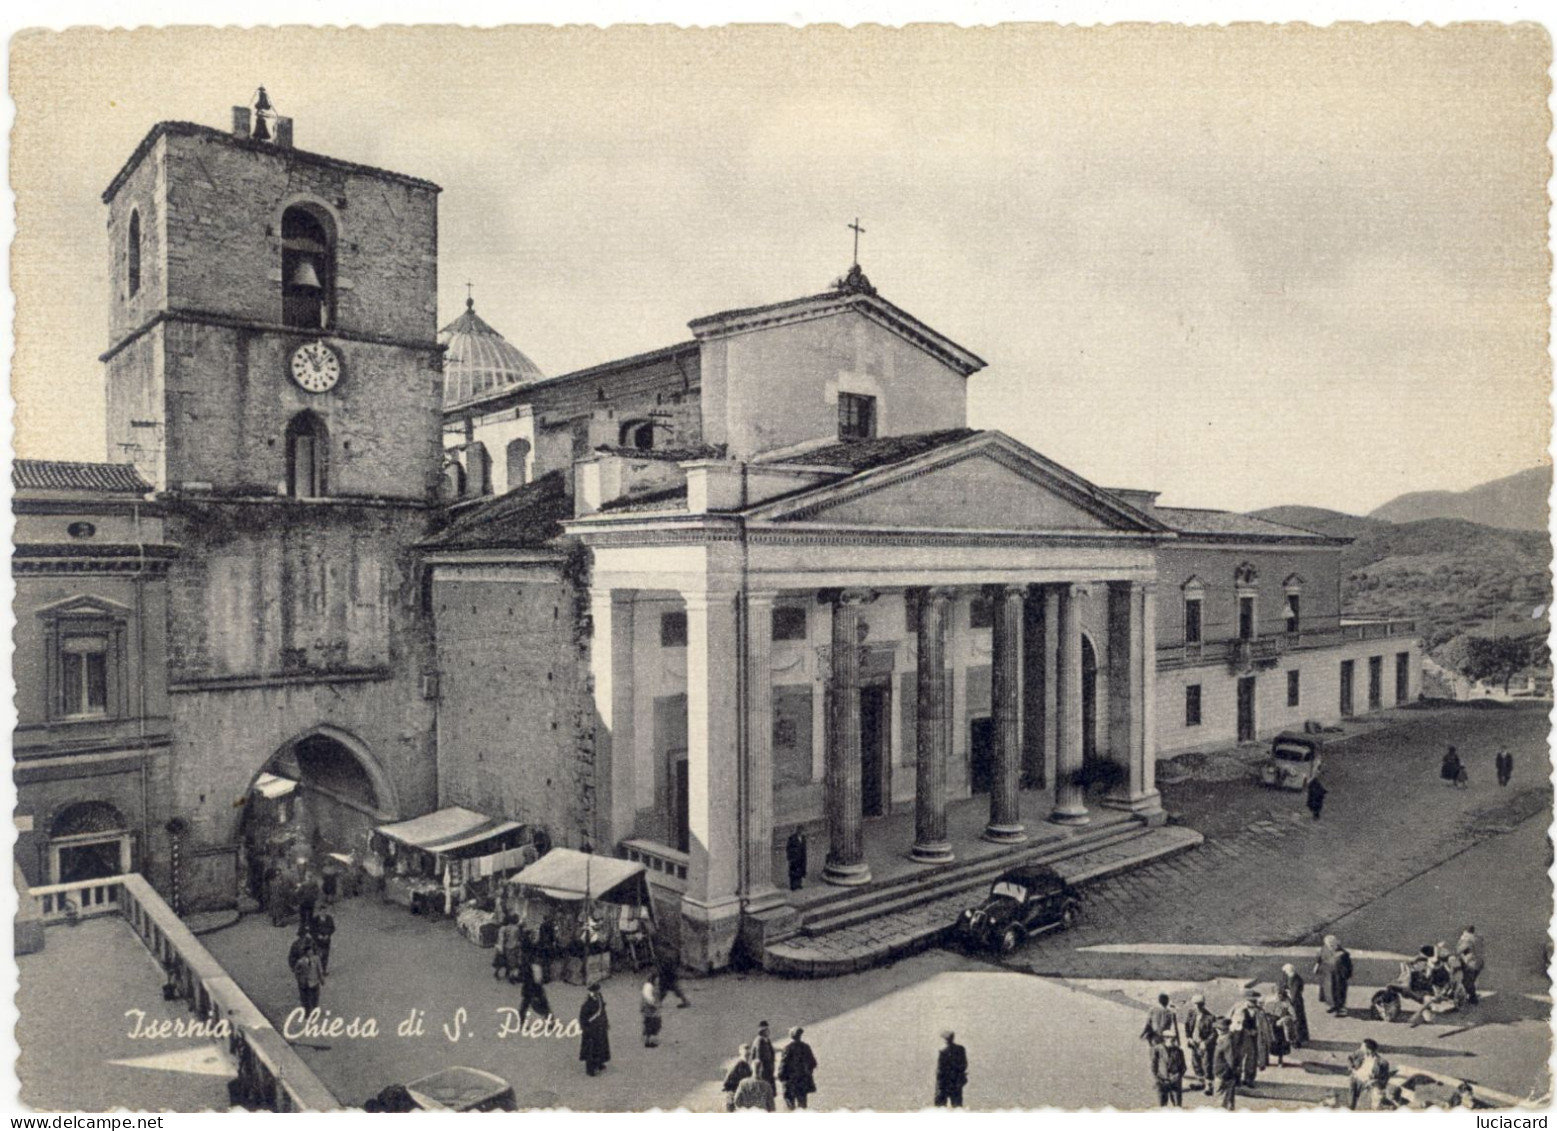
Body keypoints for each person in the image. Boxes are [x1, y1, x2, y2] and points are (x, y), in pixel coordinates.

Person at [1182, 993, 1218, 1095]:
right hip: (1194, 1043)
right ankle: (1200, 1082)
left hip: (1205, 1045)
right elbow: (1187, 1026)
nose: (1197, 1007)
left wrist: (1205, 1043)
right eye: (1195, 1004)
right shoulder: (1191, 1013)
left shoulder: (1210, 1017)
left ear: (1203, 1004)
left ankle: (1209, 1085)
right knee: (1196, 1063)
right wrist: (1189, 1037)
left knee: (1207, 1064)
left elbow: (1214, 1034)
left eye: (1200, 1004)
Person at [777, 1026, 818, 1110]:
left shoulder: (788, 1048)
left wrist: (780, 1076)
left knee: (790, 1106)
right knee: (802, 1105)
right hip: (802, 1081)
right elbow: (813, 1063)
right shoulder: (806, 1047)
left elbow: (783, 1065)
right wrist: (807, 1072)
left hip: (790, 1082)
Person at [1347, 1038, 1391, 1110]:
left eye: (1362, 1047)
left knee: (1363, 1104)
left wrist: (1375, 1081)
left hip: (1368, 1084)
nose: (1360, 1048)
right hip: (1355, 1079)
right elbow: (1350, 1058)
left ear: (1368, 1049)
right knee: (1351, 1102)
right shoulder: (1359, 1053)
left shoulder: (1382, 1062)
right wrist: (1352, 1069)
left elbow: (1385, 1079)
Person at [1315, 935, 1353, 1016]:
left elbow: (1349, 966)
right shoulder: (1324, 949)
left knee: (1338, 992)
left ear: (1336, 943)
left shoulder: (1343, 954)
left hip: (1338, 977)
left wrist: (1346, 975)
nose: (1331, 946)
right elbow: (1319, 958)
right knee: (1328, 991)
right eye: (1329, 944)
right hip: (1327, 975)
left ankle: (1340, 1009)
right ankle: (1331, 1006)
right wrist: (1317, 966)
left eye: (1332, 944)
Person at [579, 983, 611, 1076]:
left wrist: (606, 1022)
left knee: (601, 1046)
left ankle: (600, 1063)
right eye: (595, 990)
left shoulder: (599, 998)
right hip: (591, 1029)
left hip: (600, 1027)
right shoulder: (587, 1004)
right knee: (591, 1049)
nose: (597, 992)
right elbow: (583, 1018)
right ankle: (590, 1069)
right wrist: (586, 1029)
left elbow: (603, 1012)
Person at [516, 944, 552, 1026]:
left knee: (525, 1005)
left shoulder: (526, 965)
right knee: (543, 1005)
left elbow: (521, 976)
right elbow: (539, 979)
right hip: (536, 988)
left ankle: (522, 1021)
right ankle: (550, 1021)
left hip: (528, 988)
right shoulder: (536, 966)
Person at [1277, 962, 1310, 1045]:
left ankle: (1298, 1039)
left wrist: (1287, 994)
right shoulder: (1290, 977)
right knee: (1294, 1020)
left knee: (1297, 1020)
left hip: (1295, 1003)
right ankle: (1296, 1038)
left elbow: (1294, 994)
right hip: (1292, 1002)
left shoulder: (1297, 979)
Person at [934, 1031, 968, 1109]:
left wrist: (939, 1084)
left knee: (940, 1107)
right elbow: (964, 1065)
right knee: (957, 1106)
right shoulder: (961, 1049)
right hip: (956, 1081)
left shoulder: (942, 1051)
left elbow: (940, 1070)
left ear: (945, 1039)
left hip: (944, 1082)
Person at [1210, 1018, 1239, 1110]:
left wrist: (1228, 1074)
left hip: (1224, 1075)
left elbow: (1231, 1060)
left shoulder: (1226, 1041)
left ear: (1221, 1030)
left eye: (1217, 1028)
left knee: (1221, 1100)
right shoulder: (1223, 1039)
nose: (1216, 1030)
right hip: (1222, 1074)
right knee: (1227, 1100)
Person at [1151, 1033, 1186, 1107]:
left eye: (1174, 1039)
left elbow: (1183, 1067)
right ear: (1165, 1039)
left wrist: (1178, 1076)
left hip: (1175, 1082)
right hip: (1162, 1081)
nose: (1174, 1041)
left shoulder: (1179, 1051)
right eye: (1171, 1039)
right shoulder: (1157, 1049)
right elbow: (1154, 1066)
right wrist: (1157, 1078)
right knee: (1163, 1106)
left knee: (1177, 1106)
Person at [291, 937, 323, 1012]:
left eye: (311, 951)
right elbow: (296, 970)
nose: (310, 952)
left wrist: (321, 979)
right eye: (309, 951)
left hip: (314, 980)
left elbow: (319, 969)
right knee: (305, 997)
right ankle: (307, 1011)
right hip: (304, 981)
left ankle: (314, 1008)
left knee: (315, 996)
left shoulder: (316, 959)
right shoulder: (301, 961)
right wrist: (299, 977)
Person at [1458, 925, 1485, 1004]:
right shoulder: (1478, 938)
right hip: (1479, 963)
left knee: (1468, 981)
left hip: (1470, 964)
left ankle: (1472, 998)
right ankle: (1469, 994)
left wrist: (1461, 941)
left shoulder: (1466, 939)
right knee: (1472, 980)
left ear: (1466, 931)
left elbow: (1459, 951)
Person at [1267, 997, 1297, 1066]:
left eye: (1280, 993)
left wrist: (1284, 1019)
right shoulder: (1270, 1001)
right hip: (1272, 1024)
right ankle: (1265, 1060)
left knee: (1280, 1043)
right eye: (1277, 992)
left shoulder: (1286, 1004)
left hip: (1281, 1026)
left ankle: (1280, 1060)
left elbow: (1293, 1016)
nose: (1278, 995)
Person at [722, 1044, 753, 1112]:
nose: (748, 1056)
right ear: (741, 1053)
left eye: (748, 1054)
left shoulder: (747, 1065)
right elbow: (727, 1080)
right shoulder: (738, 1064)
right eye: (746, 1054)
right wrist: (731, 1093)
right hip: (735, 1094)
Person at [494, 915, 520, 982]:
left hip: (504, 946)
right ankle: (510, 977)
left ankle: (499, 973)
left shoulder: (505, 928)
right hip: (512, 946)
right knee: (512, 962)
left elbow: (502, 938)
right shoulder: (516, 928)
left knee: (502, 961)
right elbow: (517, 938)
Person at [751, 1020, 776, 1088]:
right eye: (767, 1029)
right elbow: (758, 1057)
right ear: (762, 1031)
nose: (769, 1031)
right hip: (763, 1071)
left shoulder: (767, 1040)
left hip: (768, 1069)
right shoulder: (759, 1041)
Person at [640, 973, 662, 1048]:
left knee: (649, 1025)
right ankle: (650, 1041)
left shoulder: (651, 987)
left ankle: (648, 1040)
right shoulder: (651, 988)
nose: (658, 981)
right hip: (651, 1010)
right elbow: (649, 999)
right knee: (653, 1025)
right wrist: (655, 1005)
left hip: (650, 1010)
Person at [311, 908, 335, 976]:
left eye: (324, 911)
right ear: (319, 912)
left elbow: (332, 928)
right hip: (317, 941)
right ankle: (317, 971)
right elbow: (312, 929)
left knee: (325, 955)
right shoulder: (315, 919)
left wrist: (328, 934)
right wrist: (318, 935)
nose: (323, 913)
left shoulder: (329, 918)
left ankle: (324, 970)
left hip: (326, 941)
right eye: (322, 912)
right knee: (318, 956)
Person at [786, 826, 809, 892]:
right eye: (800, 831)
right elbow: (788, 848)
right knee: (793, 871)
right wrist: (790, 857)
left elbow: (804, 848)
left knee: (800, 870)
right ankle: (793, 885)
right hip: (794, 858)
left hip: (801, 857)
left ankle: (799, 884)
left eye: (802, 831)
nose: (801, 832)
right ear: (797, 831)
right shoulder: (792, 838)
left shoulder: (803, 838)